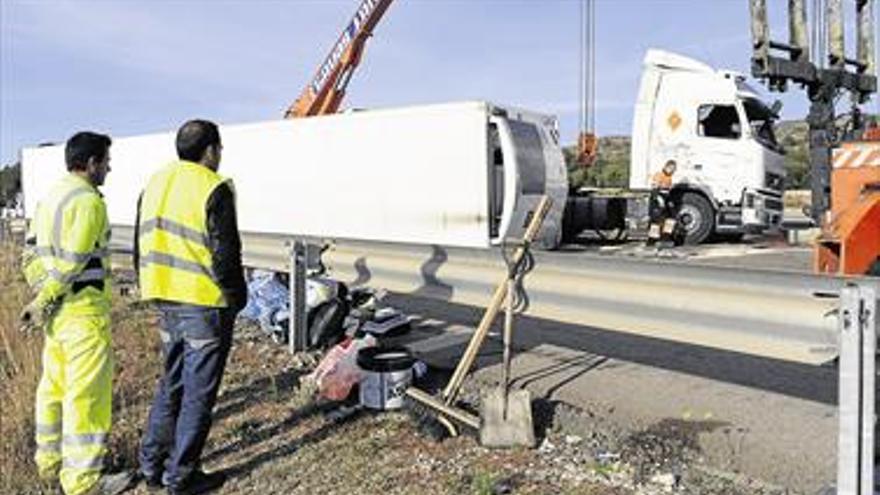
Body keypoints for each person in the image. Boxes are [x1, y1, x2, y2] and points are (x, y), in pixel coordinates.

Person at [134, 119, 247, 495]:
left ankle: (151, 466)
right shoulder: (212, 186)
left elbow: (140, 245)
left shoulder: (154, 184)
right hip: (202, 302)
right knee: (199, 393)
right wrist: (236, 297)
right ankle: (181, 477)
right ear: (210, 150)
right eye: (220, 149)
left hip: (164, 297)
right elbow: (225, 253)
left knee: (172, 384)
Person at [20, 132, 135, 495]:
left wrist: (44, 299)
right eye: (106, 162)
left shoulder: (50, 198)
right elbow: (73, 262)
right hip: (83, 314)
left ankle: (50, 464)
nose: (109, 168)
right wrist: (44, 300)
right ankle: (83, 482)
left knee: (53, 388)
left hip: (58, 317)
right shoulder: (88, 202)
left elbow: (32, 257)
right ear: (90, 164)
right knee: (86, 396)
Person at [647, 160, 678, 246]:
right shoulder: (659, 175)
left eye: (674, 170)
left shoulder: (669, 177)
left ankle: (666, 236)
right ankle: (652, 240)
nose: (673, 171)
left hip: (665, 198)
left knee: (671, 217)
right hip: (657, 198)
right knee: (656, 220)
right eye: (672, 169)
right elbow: (655, 189)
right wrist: (659, 199)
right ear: (666, 167)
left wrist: (669, 202)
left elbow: (667, 191)